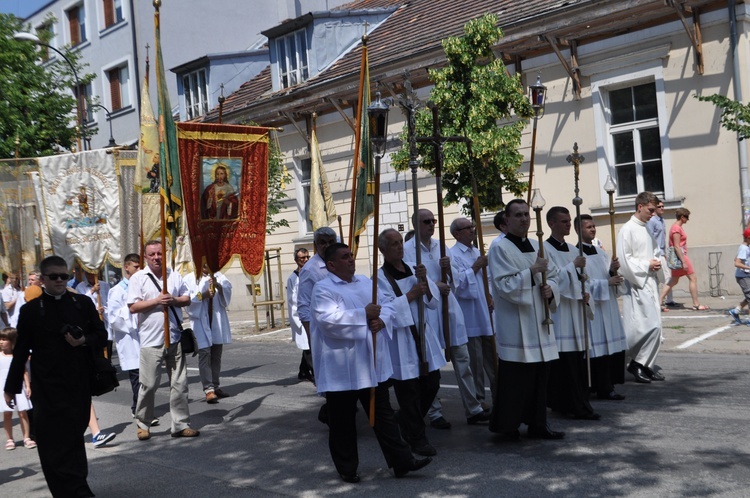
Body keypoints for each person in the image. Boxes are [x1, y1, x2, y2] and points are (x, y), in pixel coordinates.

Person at [311, 242, 431, 483]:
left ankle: (402, 461)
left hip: (370, 364)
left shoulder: (367, 282)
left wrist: (382, 321)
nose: (351, 260)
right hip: (341, 367)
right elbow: (328, 321)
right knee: (343, 422)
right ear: (331, 264)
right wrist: (363, 316)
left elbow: (388, 305)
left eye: (352, 255)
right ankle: (347, 468)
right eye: (345, 257)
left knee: (384, 416)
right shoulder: (323, 289)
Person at [4, 255, 106, 497]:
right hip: (46, 387)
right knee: (50, 443)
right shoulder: (30, 311)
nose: (60, 281)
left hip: (77, 384)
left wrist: (83, 340)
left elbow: (101, 335)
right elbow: (20, 352)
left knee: (72, 440)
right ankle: (73, 492)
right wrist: (11, 387)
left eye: (64, 275)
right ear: (43, 280)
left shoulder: (82, 303)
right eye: (54, 277)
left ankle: (77, 486)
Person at [487, 199, 564, 441]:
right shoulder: (499, 249)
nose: (524, 219)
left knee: (540, 376)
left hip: (540, 321)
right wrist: (532, 273)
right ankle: (507, 426)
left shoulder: (537, 244)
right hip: (516, 324)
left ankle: (538, 424)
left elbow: (555, 276)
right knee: (516, 378)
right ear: (506, 221)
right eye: (518, 215)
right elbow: (503, 286)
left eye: (526, 215)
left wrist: (550, 288)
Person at [404, 208, 488, 428]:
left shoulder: (441, 247)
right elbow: (410, 280)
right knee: (431, 365)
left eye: (433, 220)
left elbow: (458, 279)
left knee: (462, 358)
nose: (431, 224)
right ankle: (435, 412)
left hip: (448, 306)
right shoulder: (407, 250)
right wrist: (434, 285)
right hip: (427, 309)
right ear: (415, 224)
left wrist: (449, 270)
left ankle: (473, 408)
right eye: (426, 221)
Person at [378, 228, 445, 457]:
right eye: (394, 244)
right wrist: (410, 295)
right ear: (383, 250)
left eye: (400, 242)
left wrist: (425, 279)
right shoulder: (379, 278)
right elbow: (385, 309)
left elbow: (432, 301)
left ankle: (406, 420)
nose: (399, 246)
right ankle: (416, 438)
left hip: (423, 335)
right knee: (409, 392)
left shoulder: (413, 270)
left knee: (432, 382)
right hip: (402, 341)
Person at [127, 240, 198, 440]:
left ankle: (180, 424)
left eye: (159, 253)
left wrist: (173, 300)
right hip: (151, 340)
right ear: (146, 257)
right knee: (149, 384)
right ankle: (143, 423)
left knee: (180, 384)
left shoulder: (173, 275)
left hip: (174, 337)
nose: (157, 257)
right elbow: (133, 307)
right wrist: (157, 301)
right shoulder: (138, 278)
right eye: (152, 255)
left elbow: (187, 298)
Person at [543, 207, 599, 421]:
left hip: (576, 310)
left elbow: (583, 278)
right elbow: (552, 279)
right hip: (561, 313)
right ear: (551, 223)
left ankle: (576, 403)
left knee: (576, 360)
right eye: (563, 221)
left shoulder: (573, 249)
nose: (568, 225)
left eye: (568, 221)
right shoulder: (545, 248)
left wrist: (586, 294)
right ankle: (565, 403)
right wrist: (572, 266)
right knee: (563, 362)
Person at [575, 215, 628, 400]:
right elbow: (581, 284)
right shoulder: (576, 254)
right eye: (588, 226)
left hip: (608, 307)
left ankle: (608, 385)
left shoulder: (601, 252)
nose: (593, 229)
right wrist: (607, 282)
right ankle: (597, 386)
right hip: (593, 308)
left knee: (608, 348)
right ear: (578, 230)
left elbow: (609, 276)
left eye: (594, 226)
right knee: (596, 349)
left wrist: (613, 270)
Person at [616, 191, 666, 383]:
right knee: (644, 327)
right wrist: (646, 265)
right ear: (640, 206)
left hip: (649, 282)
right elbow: (622, 260)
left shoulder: (645, 228)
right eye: (650, 210)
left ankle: (646, 364)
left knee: (657, 327)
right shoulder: (627, 229)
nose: (653, 214)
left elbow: (655, 251)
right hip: (636, 284)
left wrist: (658, 262)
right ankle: (633, 362)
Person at [449, 217, 497, 409]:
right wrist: (476, 266)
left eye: (472, 226)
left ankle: (498, 394)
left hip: (485, 311)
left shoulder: (477, 251)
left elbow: (489, 279)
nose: (472, 230)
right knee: (475, 361)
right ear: (456, 234)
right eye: (467, 228)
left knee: (493, 358)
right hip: (470, 315)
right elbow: (457, 283)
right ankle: (478, 399)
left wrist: (490, 295)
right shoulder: (452, 254)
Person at [107, 253, 158, 424]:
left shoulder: (143, 286)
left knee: (149, 376)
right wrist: (132, 310)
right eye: (135, 267)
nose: (139, 270)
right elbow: (113, 318)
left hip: (146, 335)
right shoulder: (117, 291)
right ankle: (142, 412)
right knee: (138, 377)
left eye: (140, 267)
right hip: (130, 339)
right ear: (126, 267)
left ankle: (140, 407)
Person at [184, 263, 233, 403]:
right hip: (201, 321)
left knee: (216, 355)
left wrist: (218, 286)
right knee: (205, 354)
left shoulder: (218, 276)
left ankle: (216, 385)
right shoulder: (190, 279)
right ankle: (208, 389)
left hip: (216, 321)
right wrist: (203, 295)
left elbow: (228, 291)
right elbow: (188, 300)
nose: (206, 265)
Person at [659, 208, 709, 311]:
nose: (688, 219)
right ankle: (696, 304)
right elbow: (677, 246)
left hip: (678, 257)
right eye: (687, 217)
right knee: (693, 278)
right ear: (682, 217)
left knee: (673, 280)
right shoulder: (676, 229)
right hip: (680, 257)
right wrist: (683, 261)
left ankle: (659, 300)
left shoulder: (676, 227)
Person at [0, 327, 35, 450]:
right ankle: (10, 438)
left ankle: (26, 437)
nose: (1, 342)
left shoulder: (17, 356)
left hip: (19, 386)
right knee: (7, 413)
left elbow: (24, 370)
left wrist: (28, 385)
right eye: (0, 339)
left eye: (4, 339)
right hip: (4, 388)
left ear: (12, 341)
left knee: (22, 412)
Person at [287, 248, 313, 383]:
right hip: (301, 315)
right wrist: (297, 319)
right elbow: (292, 301)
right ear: (296, 260)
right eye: (302, 258)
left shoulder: (310, 273)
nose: (306, 260)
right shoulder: (293, 278)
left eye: (307, 257)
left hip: (312, 313)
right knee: (308, 345)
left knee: (309, 342)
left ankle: (303, 371)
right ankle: (314, 373)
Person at [76, 272, 112, 360]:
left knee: (108, 350)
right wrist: (92, 291)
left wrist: (104, 310)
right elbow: (81, 302)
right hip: (92, 322)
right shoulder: (80, 287)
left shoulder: (104, 285)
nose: (90, 276)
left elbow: (109, 302)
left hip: (105, 320)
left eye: (92, 274)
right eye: (88, 274)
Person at [647, 199, 673, 310]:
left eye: (663, 206)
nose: (662, 208)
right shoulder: (652, 221)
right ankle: (659, 301)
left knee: (667, 276)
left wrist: (665, 252)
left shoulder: (662, 220)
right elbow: (650, 237)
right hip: (656, 253)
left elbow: (662, 238)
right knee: (665, 277)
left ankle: (668, 300)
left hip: (662, 252)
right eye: (659, 207)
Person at [729, 228, 750, 323]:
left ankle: (735, 311)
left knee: (748, 296)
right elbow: (737, 263)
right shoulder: (744, 248)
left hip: (745, 275)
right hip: (743, 276)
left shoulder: (745, 247)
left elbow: (736, 258)